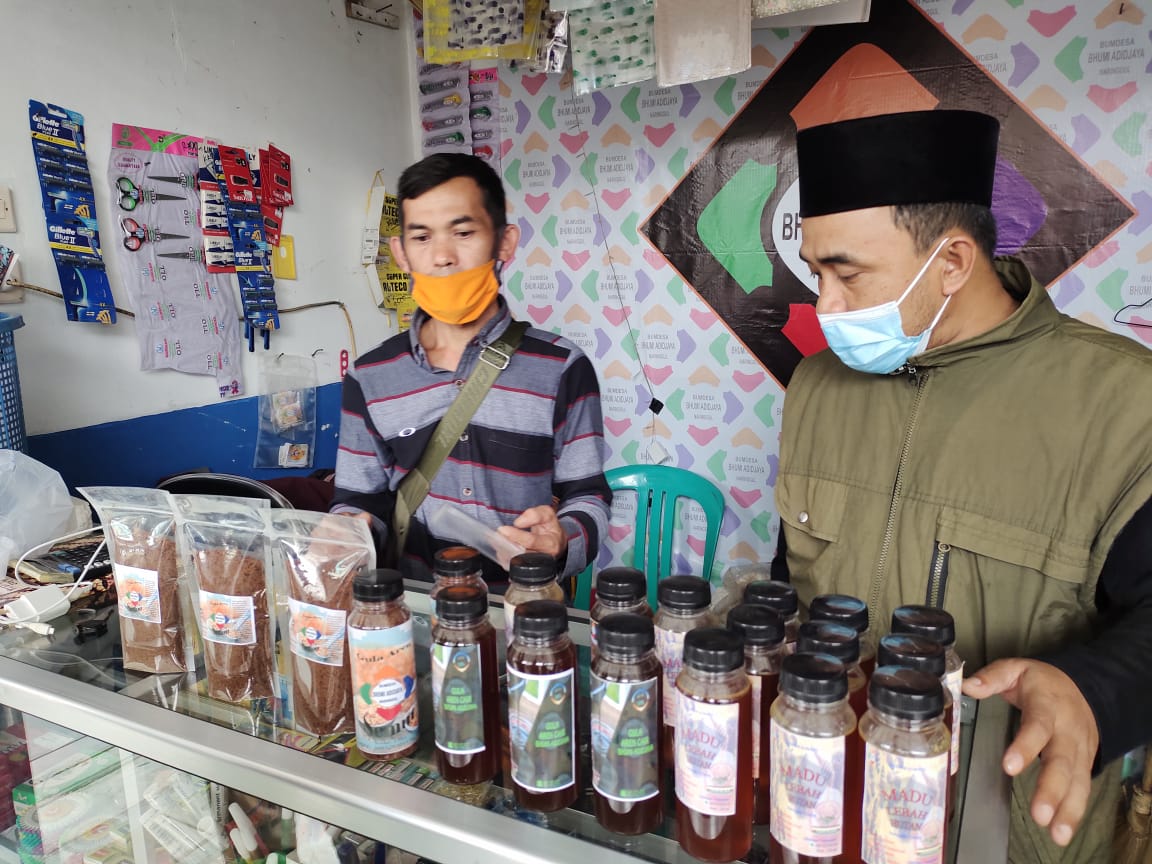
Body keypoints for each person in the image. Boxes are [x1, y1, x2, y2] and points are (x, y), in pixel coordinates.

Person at [773, 109, 1152, 863]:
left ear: (951, 263)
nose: (826, 307)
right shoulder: (816, 384)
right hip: (824, 816)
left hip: (1001, 835)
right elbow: (796, 582)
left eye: (847, 273)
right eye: (814, 272)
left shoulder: (1122, 406)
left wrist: (1093, 691)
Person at [331, 154, 611, 588]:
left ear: (505, 241)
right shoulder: (369, 378)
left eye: (463, 232)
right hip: (414, 611)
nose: (443, 256)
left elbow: (588, 496)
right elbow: (357, 501)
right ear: (401, 254)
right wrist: (345, 531)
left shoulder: (562, 367)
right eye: (421, 238)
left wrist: (563, 536)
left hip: (527, 613)